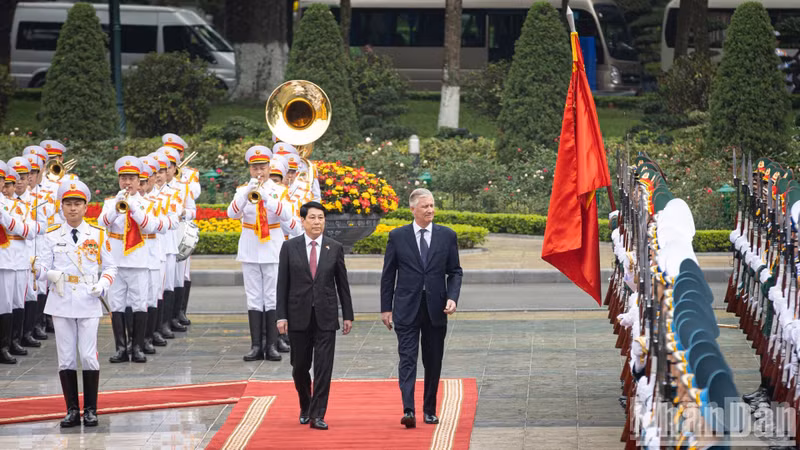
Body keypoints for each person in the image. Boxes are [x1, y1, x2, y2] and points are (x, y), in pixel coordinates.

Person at [35, 180, 116, 428]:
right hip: (60, 299)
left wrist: (102, 286)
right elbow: (39, 266)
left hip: (88, 299)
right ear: (61, 206)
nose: (72, 209)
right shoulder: (51, 236)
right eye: (68, 204)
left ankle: (91, 409)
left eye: (77, 204)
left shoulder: (98, 235)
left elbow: (111, 266)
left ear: (85, 207)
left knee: (88, 356)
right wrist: (49, 275)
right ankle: (72, 410)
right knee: (66, 357)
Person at [380, 188, 462, 428]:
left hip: (436, 309)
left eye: (432, 205)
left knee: (433, 360)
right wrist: (386, 308)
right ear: (413, 209)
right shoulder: (398, 237)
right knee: (407, 358)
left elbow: (455, 271)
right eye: (425, 206)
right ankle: (408, 409)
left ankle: (429, 409)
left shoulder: (447, 236)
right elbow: (388, 276)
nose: (430, 210)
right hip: (406, 308)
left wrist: (453, 297)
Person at [276, 201, 354, 430]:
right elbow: (282, 284)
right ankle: (305, 404)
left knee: (323, 367)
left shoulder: (334, 247)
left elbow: (343, 284)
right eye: (312, 218)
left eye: (321, 218)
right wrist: (281, 316)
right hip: (297, 315)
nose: (317, 222)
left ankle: (318, 414)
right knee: (300, 366)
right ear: (303, 221)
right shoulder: (289, 248)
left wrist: (347, 314)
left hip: (326, 316)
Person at [228, 146, 297, 362]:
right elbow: (231, 213)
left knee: (272, 297)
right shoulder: (243, 190)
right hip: (250, 247)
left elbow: (287, 216)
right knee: (254, 297)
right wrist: (246, 195)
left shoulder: (279, 190)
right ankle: (256, 345)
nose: (259, 171)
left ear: (269, 167)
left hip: (272, 247)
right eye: (255, 167)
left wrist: (267, 197)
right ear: (250, 169)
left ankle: (272, 344)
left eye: (263, 167)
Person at [98, 157, 169, 363]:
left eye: (131, 179)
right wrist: (117, 206)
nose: (127, 183)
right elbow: (102, 222)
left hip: (139, 260)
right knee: (117, 305)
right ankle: (121, 348)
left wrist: (132, 208)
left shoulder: (148, 203)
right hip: (115, 261)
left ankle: (137, 347)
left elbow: (149, 226)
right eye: (123, 179)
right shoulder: (110, 202)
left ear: (140, 182)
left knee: (139, 304)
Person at [0, 161, 38, 364]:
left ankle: (13, 341)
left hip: (20, 260)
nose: (5, 188)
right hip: (3, 260)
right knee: (3, 304)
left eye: (7, 184)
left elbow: (30, 232)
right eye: (3, 183)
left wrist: (7, 220)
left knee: (17, 302)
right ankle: (3, 346)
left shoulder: (19, 206)